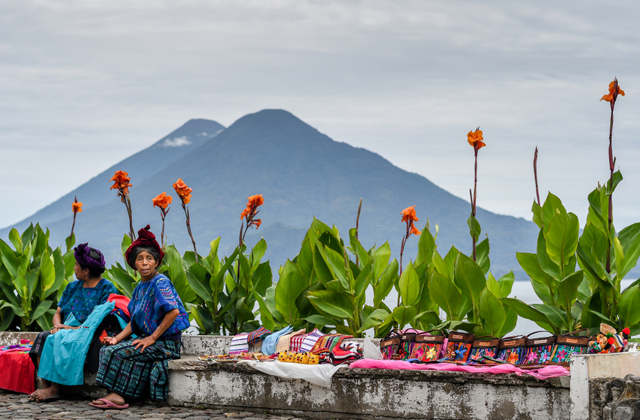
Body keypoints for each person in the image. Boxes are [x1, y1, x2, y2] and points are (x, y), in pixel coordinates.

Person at [90, 225, 190, 409]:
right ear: (134, 264)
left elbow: (173, 311)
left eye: (149, 258)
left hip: (166, 344)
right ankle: (123, 394)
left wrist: (152, 338)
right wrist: (116, 338)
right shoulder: (139, 288)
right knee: (108, 349)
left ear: (156, 262)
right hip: (151, 341)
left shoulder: (160, 282)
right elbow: (134, 322)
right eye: (140, 259)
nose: (145, 263)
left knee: (117, 353)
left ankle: (118, 396)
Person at [30, 243, 117, 402]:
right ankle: (47, 387)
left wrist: (70, 328)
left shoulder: (107, 288)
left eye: (77, 266)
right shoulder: (72, 287)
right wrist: (58, 326)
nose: (74, 268)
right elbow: (58, 313)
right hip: (65, 329)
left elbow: (100, 321)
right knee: (43, 337)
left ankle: (55, 389)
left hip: (91, 332)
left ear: (86, 270)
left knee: (65, 340)